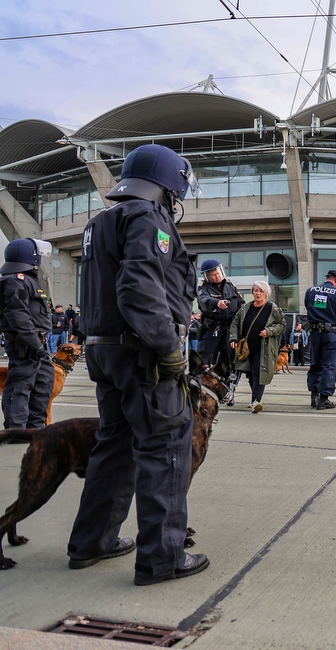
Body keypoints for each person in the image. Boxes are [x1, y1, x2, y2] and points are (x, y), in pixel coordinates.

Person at [67, 143, 208, 585]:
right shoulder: (149, 219)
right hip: (142, 352)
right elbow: (139, 289)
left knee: (114, 446)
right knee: (165, 447)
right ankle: (161, 560)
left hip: (105, 350)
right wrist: (169, 348)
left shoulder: (100, 222)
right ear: (167, 186)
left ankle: (92, 542)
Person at [0, 238, 54, 429]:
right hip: (25, 343)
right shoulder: (16, 281)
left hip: (36, 342)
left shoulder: (27, 280)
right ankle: (16, 429)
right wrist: (35, 344)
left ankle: (35, 427)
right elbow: (18, 316)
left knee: (43, 382)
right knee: (21, 385)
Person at [229, 281, 285, 413]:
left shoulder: (273, 308)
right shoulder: (245, 308)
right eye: (256, 290)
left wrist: (269, 331)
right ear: (252, 292)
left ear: (266, 293)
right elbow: (235, 323)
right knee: (249, 374)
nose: (258, 293)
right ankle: (255, 398)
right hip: (246, 348)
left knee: (258, 372)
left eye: (261, 291)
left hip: (264, 348)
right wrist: (233, 338)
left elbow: (282, 325)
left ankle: (256, 400)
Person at [196, 258, 244, 404]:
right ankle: (200, 391)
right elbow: (203, 301)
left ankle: (228, 391)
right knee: (204, 360)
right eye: (212, 275)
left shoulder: (231, 286)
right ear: (207, 276)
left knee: (229, 362)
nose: (216, 276)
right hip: (211, 329)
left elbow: (241, 304)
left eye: (217, 273)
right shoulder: (203, 288)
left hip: (229, 330)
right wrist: (217, 303)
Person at [305, 269, 336, 409]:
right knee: (329, 365)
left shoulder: (311, 290)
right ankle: (324, 399)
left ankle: (314, 396)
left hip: (314, 332)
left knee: (315, 363)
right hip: (331, 333)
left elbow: (308, 307)